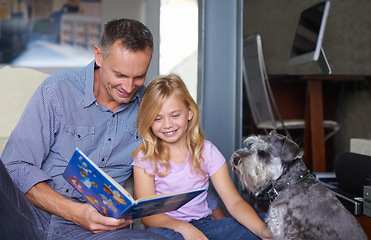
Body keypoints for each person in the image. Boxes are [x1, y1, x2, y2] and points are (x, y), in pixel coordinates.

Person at [0, 18, 166, 239]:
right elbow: (16, 165)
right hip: (31, 215)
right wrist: (77, 213)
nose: (128, 87)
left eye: (139, 77)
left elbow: (181, 158)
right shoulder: (58, 89)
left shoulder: (151, 106)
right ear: (99, 56)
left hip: (100, 232)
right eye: (120, 75)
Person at [132, 73, 272, 240]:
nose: (167, 124)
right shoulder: (145, 158)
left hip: (205, 226)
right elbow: (148, 216)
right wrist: (184, 229)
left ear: (189, 112)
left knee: (266, 223)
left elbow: (234, 202)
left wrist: (262, 232)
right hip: (165, 228)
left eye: (175, 115)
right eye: (158, 118)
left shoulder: (207, 151)